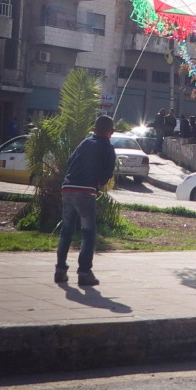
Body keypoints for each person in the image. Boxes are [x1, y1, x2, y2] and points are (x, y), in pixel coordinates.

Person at [55, 115, 116, 287]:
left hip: (67, 188)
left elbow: (69, 161)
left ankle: (60, 270)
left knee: (66, 231)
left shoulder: (84, 143)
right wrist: (97, 185)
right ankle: (84, 273)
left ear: (95, 129)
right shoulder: (107, 148)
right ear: (109, 132)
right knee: (88, 233)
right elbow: (108, 172)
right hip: (86, 191)